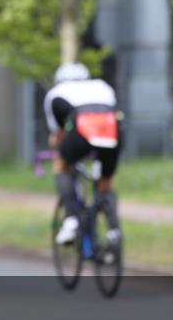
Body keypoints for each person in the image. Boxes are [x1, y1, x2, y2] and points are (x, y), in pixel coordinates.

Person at [44, 62, 122, 246]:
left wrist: (61, 148)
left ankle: (71, 221)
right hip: (113, 131)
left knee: (61, 165)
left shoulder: (55, 93)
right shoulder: (102, 86)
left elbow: (58, 133)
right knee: (106, 181)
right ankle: (114, 229)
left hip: (82, 132)